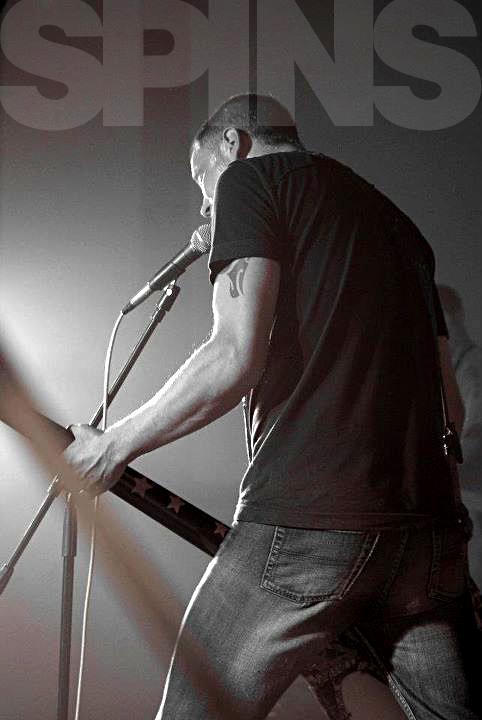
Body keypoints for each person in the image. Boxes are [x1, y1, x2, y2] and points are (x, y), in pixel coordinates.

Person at [64, 94, 482, 720]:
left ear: (231, 144)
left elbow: (234, 357)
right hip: (429, 537)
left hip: (311, 520)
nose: (204, 204)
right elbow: (452, 409)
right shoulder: (401, 227)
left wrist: (113, 445)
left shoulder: (251, 180)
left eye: (201, 178)